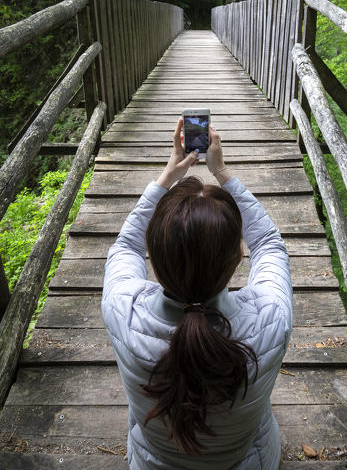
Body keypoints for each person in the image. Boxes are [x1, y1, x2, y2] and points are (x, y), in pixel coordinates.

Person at [102, 118, 293, 469]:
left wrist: (166, 177)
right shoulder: (271, 316)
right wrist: (221, 173)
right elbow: (269, 245)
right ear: (238, 258)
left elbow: (125, 246)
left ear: (155, 263)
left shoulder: (124, 310)